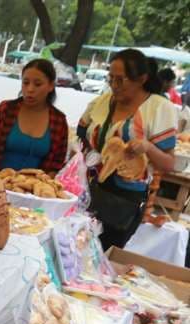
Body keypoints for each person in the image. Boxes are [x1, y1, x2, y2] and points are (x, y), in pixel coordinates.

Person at [78, 48, 178, 250]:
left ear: (141, 79)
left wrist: (147, 147)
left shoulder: (158, 107)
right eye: (110, 78)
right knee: (74, 249)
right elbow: (81, 134)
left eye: (121, 80)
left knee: (100, 256)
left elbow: (168, 164)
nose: (114, 85)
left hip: (123, 201)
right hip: (86, 188)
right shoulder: (103, 101)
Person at [0, 59, 69, 172]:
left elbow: (56, 165)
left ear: (51, 86)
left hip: (34, 187)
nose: (30, 89)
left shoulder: (59, 121)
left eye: (38, 84)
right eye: (25, 82)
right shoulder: (5, 110)